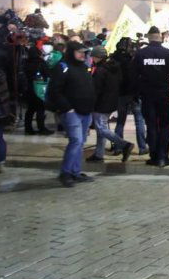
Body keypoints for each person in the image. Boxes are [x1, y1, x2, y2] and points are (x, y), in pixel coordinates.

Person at [46, 41, 97, 187]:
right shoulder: (63, 67)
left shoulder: (83, 67)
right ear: (71, 52)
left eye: (84, 52)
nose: (82, 54)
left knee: (79, 142)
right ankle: (66, 172)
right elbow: (55, 90)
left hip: (85, 111)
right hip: (72, 111)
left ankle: (75, 171)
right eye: (79, 52)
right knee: (75, 141)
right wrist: (67, 108)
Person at [133, 26, 169, 167]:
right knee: (165, 126)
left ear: (148, 37)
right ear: (159, 37)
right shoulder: (168, 53)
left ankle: (154, 156)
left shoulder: (140, 54)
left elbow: (133, 73)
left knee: (151, 125)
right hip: (163, 94)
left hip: (147, 94)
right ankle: (163, 157)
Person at [88, 46, 133, 163]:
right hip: (112, 102)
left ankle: (124, 145)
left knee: (101, 129)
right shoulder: (114, 67)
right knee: (101, 129)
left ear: (97, 57)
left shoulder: (100, 70)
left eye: (93, 56)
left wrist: (91, 102)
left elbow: (96, 89)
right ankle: (98, 154)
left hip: (101, 104)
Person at [112, 38, 148, 155]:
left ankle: (118, 147)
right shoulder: (133, 59)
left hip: (120, 94)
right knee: (139, 121)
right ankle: (142, 147)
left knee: (120, 121)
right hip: (134, 94)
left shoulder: (113, 60)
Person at [23, 45, 52, 135]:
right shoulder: (41, 62)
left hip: (28, 88)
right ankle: (41, 128)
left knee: (30, 109)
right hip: (39, 88)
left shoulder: (25, 62)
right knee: (40, 108)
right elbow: (47, 74)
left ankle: (28, 128)